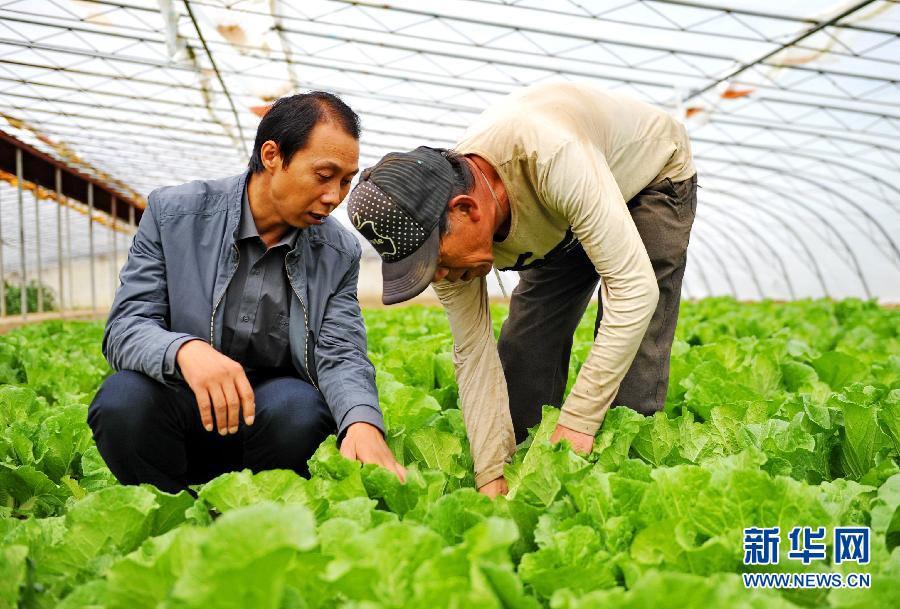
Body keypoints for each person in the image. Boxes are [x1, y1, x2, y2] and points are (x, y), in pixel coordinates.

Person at [347, 81, 696, 497]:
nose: (436, 276)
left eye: (434, 262)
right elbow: (473, 354)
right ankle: (529, 473)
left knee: (633, 358)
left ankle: (630, 483)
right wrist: (492, 473)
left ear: (467, 210)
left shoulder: (550, 155)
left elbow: (634, 291)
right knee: (527, 344)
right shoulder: (439, 238)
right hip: (557, 213)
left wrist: (579, 422)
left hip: (648, 176)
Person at [88, 92, 405, 494]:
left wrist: (362, 421)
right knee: (123, 401)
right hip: (183, 399)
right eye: (324, 176)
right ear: (272, 155)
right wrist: (186, 351)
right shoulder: (174, 214)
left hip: (267, 419)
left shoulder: (337, 251)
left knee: (301, 409)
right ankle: (166, 508)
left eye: (345, 181)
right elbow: (126, 327)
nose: (334, 197)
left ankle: (257, 509)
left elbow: (340, 352)